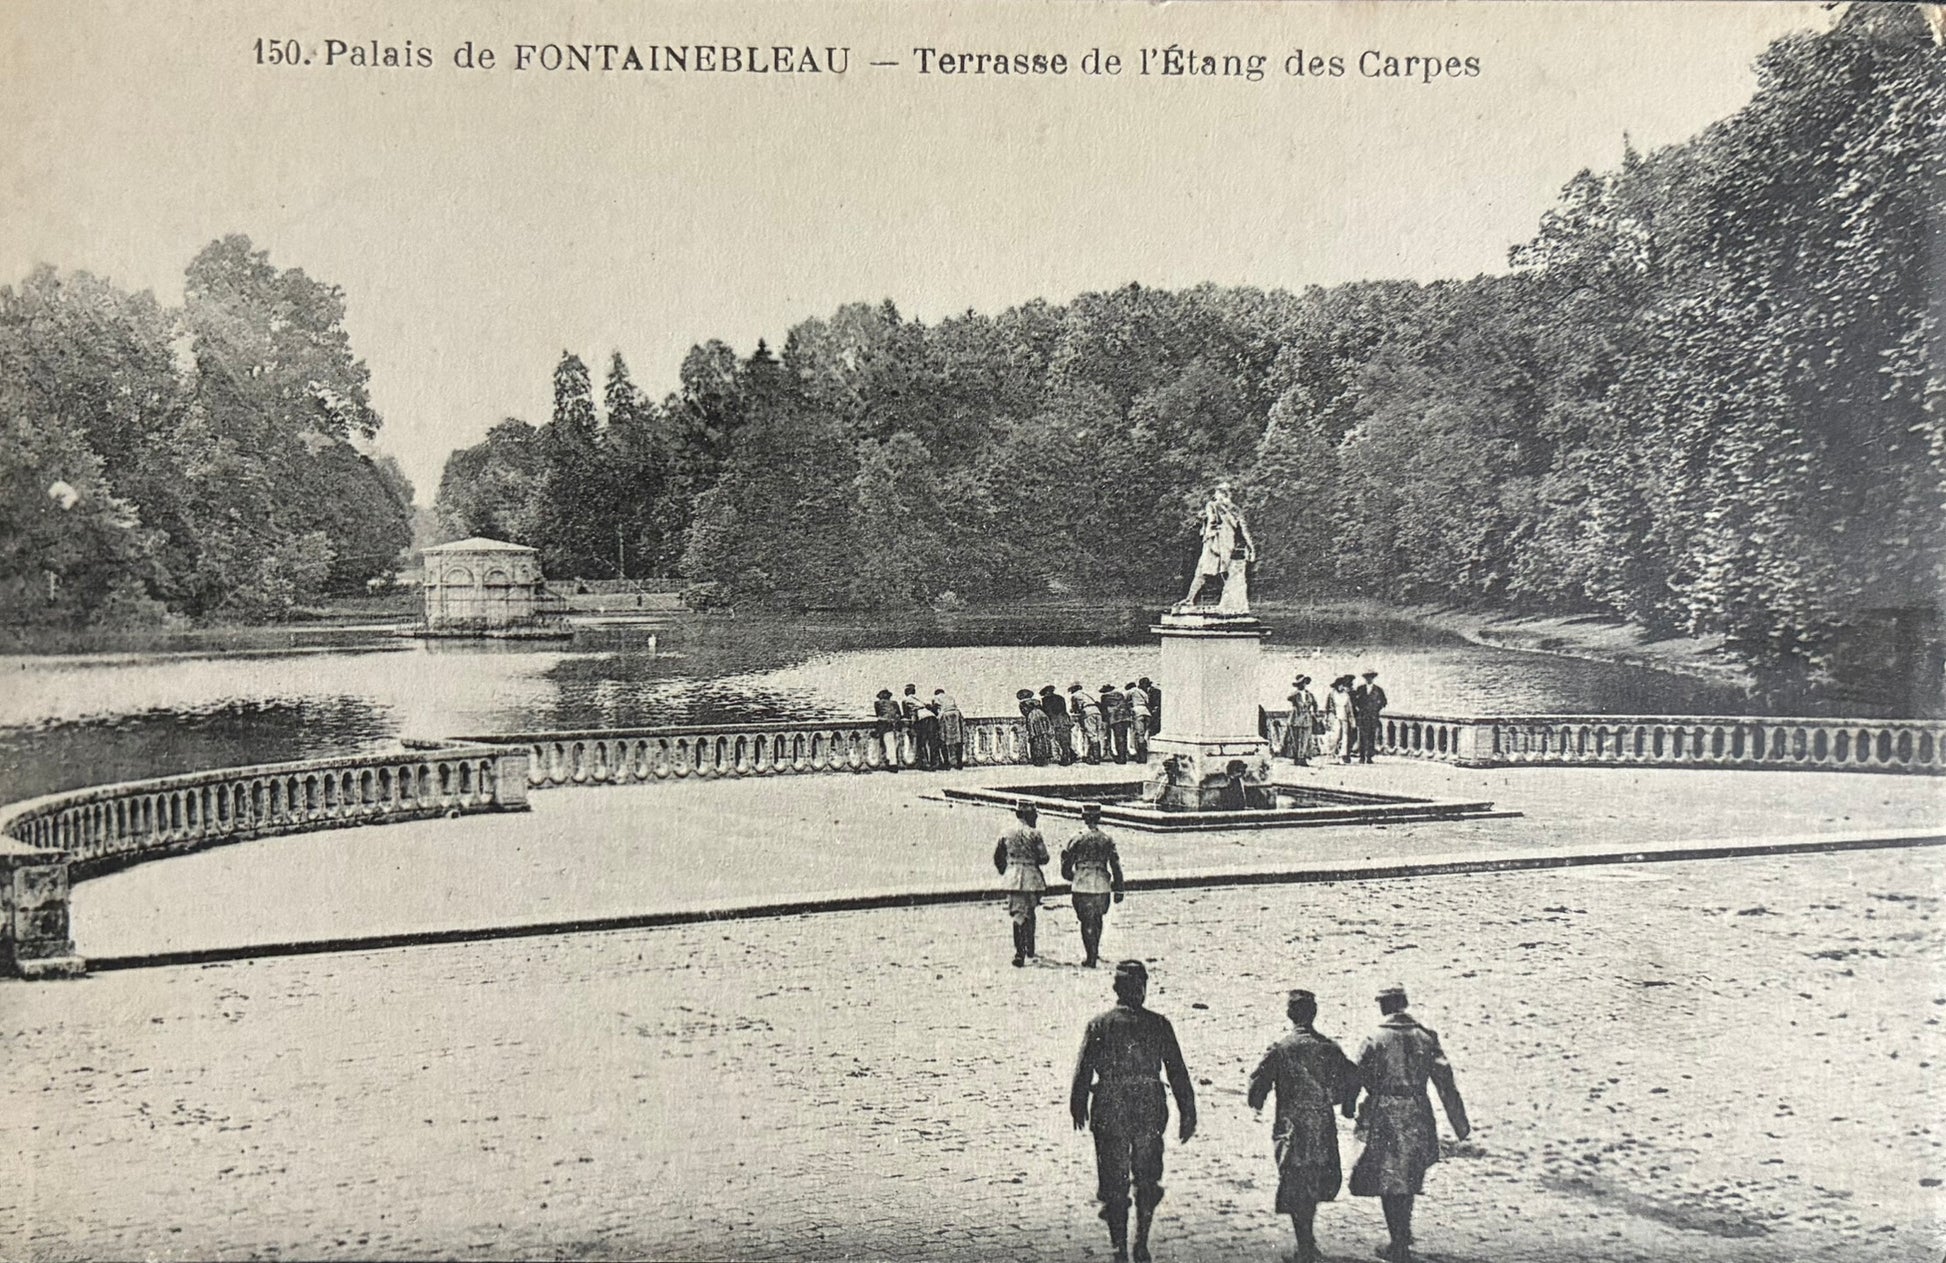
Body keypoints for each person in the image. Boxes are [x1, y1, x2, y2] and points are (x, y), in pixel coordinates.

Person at [1070, 960, 1198, 1263]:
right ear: (1142, 989)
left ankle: (1119, 1247)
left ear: (1116, 989)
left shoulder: (1099, 1024)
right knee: (1147, 1176)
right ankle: (1141, 1241)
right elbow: (1177, 1071)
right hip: (1148, 1106)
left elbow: (1084, 1068)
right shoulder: (1159, 1024)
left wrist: (1078, 1104)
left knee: (1114, 1179)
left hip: (1110, 1106)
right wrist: (1187, 1110)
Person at [1345, 985, 1470, 1263]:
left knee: (1390, 1177)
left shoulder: (1374, 1037)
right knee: (1409, 1172)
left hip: (1385, 1113)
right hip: (1417, 1111)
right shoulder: (1426, 1036)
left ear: (1384, 1006)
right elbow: (1445, 1082)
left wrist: (1349, 1104)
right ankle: (1402, 1234)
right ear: (1404, 1003)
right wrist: (1459, 1122)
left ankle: (1398, 1243)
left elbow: (1356, 1075)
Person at [1247, 989, 1356, 1263]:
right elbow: (1353, 1077)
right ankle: (1307, 1243)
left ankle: (1305, 1245)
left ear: (1289, 1014)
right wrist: (1344, 1103)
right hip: (1321, 1125)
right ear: (1314, 1013)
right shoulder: (1330, 1048)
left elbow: (1257, 1085)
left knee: (1296, 1181)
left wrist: (1257, 1101)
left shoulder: (1281, 1048)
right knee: (1315, 1178)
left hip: (1292, 1127)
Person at [1059, 803, 1125, 967]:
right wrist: (1119, 888)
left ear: (1083, 817)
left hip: (1082, 883)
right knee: (1098, 919)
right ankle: (1094, 950)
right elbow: (1115, 865)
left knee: (1085, 921)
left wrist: (1070, 876)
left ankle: (1090, 955)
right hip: (1101, 884)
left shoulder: (1076, 838)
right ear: (1099, 817)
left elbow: (1067, 862)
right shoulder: (1106, 839)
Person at [1180, 482, 1257, 610]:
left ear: (1221, 494)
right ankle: (1230, 603)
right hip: (1228, 544)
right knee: (1225, 572)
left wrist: (1207, 533)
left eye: (1217, 493)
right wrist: (1251, 548)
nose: (1215, 495)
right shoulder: (1236, 510)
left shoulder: (1212, 505)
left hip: (1214, 541)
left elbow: (1211, 521)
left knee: (1201, 571)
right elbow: (1244, 531)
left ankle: (1190, 600)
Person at [992, 801, 1050, 966]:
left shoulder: (1006, 833)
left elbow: (998, 857)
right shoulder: (1035, 834)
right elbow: (1044, 857)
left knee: (1018, 915)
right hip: (1032, 877)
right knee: (1030, 911)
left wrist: (1006, 871)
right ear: (1030, 816)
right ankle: (1029, 945)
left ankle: (1019, 951)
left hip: (1013, 876)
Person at [1283, 675, 1320, 767]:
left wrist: (1315, 713)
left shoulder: (1309, 694)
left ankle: (1302, 757)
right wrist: (1297, 692)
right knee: (1296, 739)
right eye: (1300, 683)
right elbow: (1289, 698)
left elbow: (1315, 704)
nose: (1302, 685)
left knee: (1305, 739)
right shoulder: (1295, 694)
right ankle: (1297, 757)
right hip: (1296, 718)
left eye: (1304, 683)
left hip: (1306, 719)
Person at [1354, 670, 1388, 765]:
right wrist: (1360, 709)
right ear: (1365, 679)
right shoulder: (1360, 689)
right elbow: (1355, 701)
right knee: (1362, 736)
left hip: (1373, 716)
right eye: (1367, 678)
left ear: (1373, 678)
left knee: (1371, 736)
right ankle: (1361, 756)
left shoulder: (1378, 690)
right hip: (1363, 716)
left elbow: (1384, 701)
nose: (1369, 679)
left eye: (1370, 677)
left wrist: (1377, 708)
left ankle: (1369, 757)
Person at [903, 683, 941, 770]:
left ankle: (925, 764)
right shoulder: (920, 699)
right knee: (933, 741)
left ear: (906, 692)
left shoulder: (906, 699)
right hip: (932, 717)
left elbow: (906, 714)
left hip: (923, 719)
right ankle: (935, 763)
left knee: (922, 742)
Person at [1041, 684, 1078, 765]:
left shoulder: (1046, 700)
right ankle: (1072, 756)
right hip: (1065, 719)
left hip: (1057, 721)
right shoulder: (1060, 698)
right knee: (1066, 739)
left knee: (1061, 740)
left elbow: (1047, 712)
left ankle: (1066, 759)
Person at [1071, 682, 1105, 764]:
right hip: (1097, 711)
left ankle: (1095, 758)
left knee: (1091, 735)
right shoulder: (1086, 694)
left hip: (1088, 712)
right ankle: (1096, 756)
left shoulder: (1075, 695)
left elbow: (1075, 709)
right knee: (1097, 734)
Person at [934, 687, 966, 770]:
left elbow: (936, 709)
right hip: (956, 714)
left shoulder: (936, 698)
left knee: (943, 739)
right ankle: (959, 762)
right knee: (958, 740)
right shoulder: (950, 697)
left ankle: (946, 763)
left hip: (945, 715)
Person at [1324, 676, 1354, 764]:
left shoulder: (1346, 695)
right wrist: (1328, 718)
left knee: (1344, 738)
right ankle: (1332, 755)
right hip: (1335, 718)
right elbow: (1328, 708)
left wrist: (1352, 720)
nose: (1341, 687)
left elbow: (1349, 709)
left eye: (1342, 685)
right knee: (1335, 737)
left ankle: (1341, 756)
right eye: (1339, 685)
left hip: (1344, 718)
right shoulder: (1332, 695)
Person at [872, 688, 903, 772]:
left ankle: (892, 764)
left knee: (889, 744)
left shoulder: (877, 703)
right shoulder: (894, 703)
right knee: (894, 744)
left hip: (885, 724)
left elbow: (878, 714)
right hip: (896, 724)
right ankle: (893, 763)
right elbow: (899, 714)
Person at [1102, 683, 1133, 764]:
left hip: (1115, 718)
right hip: (1125, 716)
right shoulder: (1120, 694)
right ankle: (1124, 756)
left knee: (1118, 737)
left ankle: (1121, 758)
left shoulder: (1105, 696)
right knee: (1124, 737)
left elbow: (1104, 708)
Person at [1125, 682, 1152, 762]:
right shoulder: (1142, 692)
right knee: (1144, 734)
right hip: (1146, 712)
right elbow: (1147, 701)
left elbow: (1124, 699)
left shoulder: (1131, 691)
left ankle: (1141, 757)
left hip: (1137, 711)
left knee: (1138, 734)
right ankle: (1144, 754)